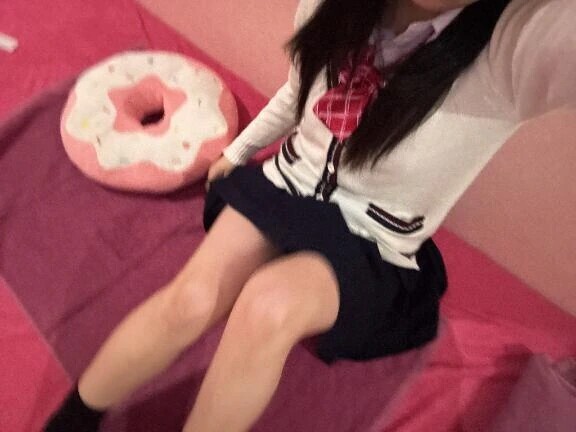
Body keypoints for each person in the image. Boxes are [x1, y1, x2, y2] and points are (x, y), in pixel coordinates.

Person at [45, 0, 576, 431]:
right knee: (190, 299)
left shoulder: (513, 49)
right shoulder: (332, 7)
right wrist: (238, 151)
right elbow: (300, 92)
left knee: (268, 307)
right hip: (287, 184)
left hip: (373, 237)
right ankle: (73, 419)